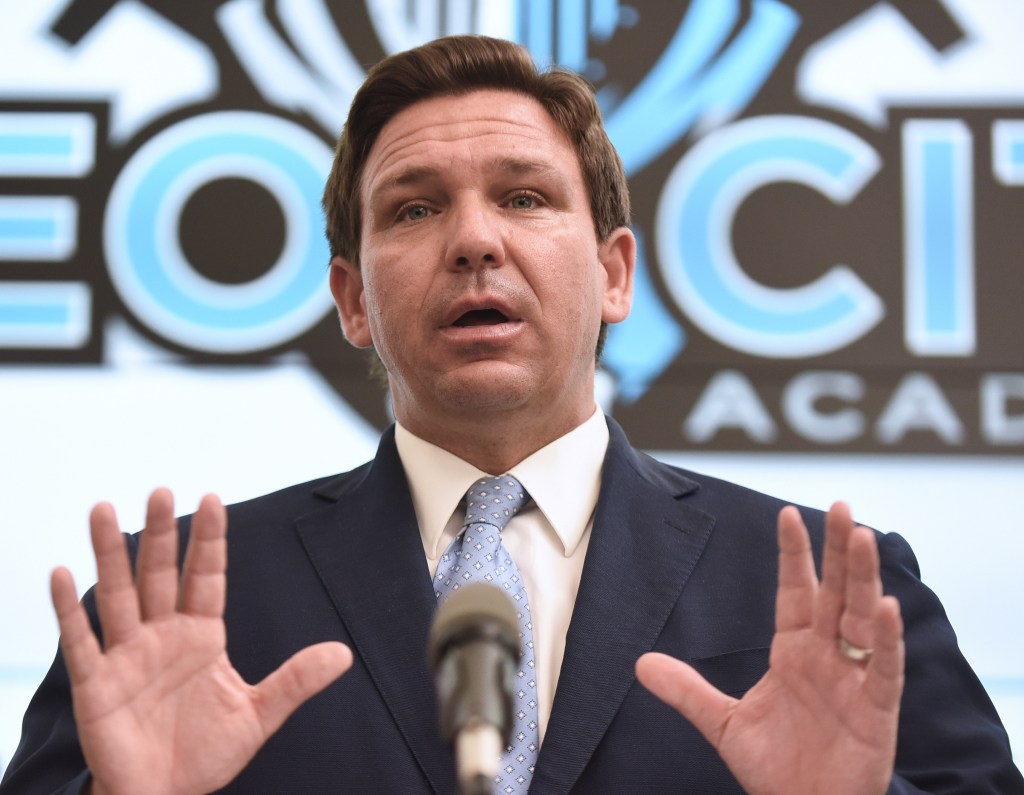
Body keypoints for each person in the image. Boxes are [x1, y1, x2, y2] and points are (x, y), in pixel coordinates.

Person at [1, 35, 1020, 795]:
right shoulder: (174, 609)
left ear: (614, 274)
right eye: (414, 207)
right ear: (352, 301)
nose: (474, 240)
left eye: (526, 197)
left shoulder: (830, 585)